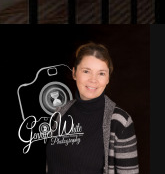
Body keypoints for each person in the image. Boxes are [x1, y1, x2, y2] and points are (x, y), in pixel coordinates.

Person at [46, 43, 139, 174]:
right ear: (74, 73)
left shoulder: (120, 122)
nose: (93, 80)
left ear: (108, 78)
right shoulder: (60, 112)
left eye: (101, 73)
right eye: (86, 71)